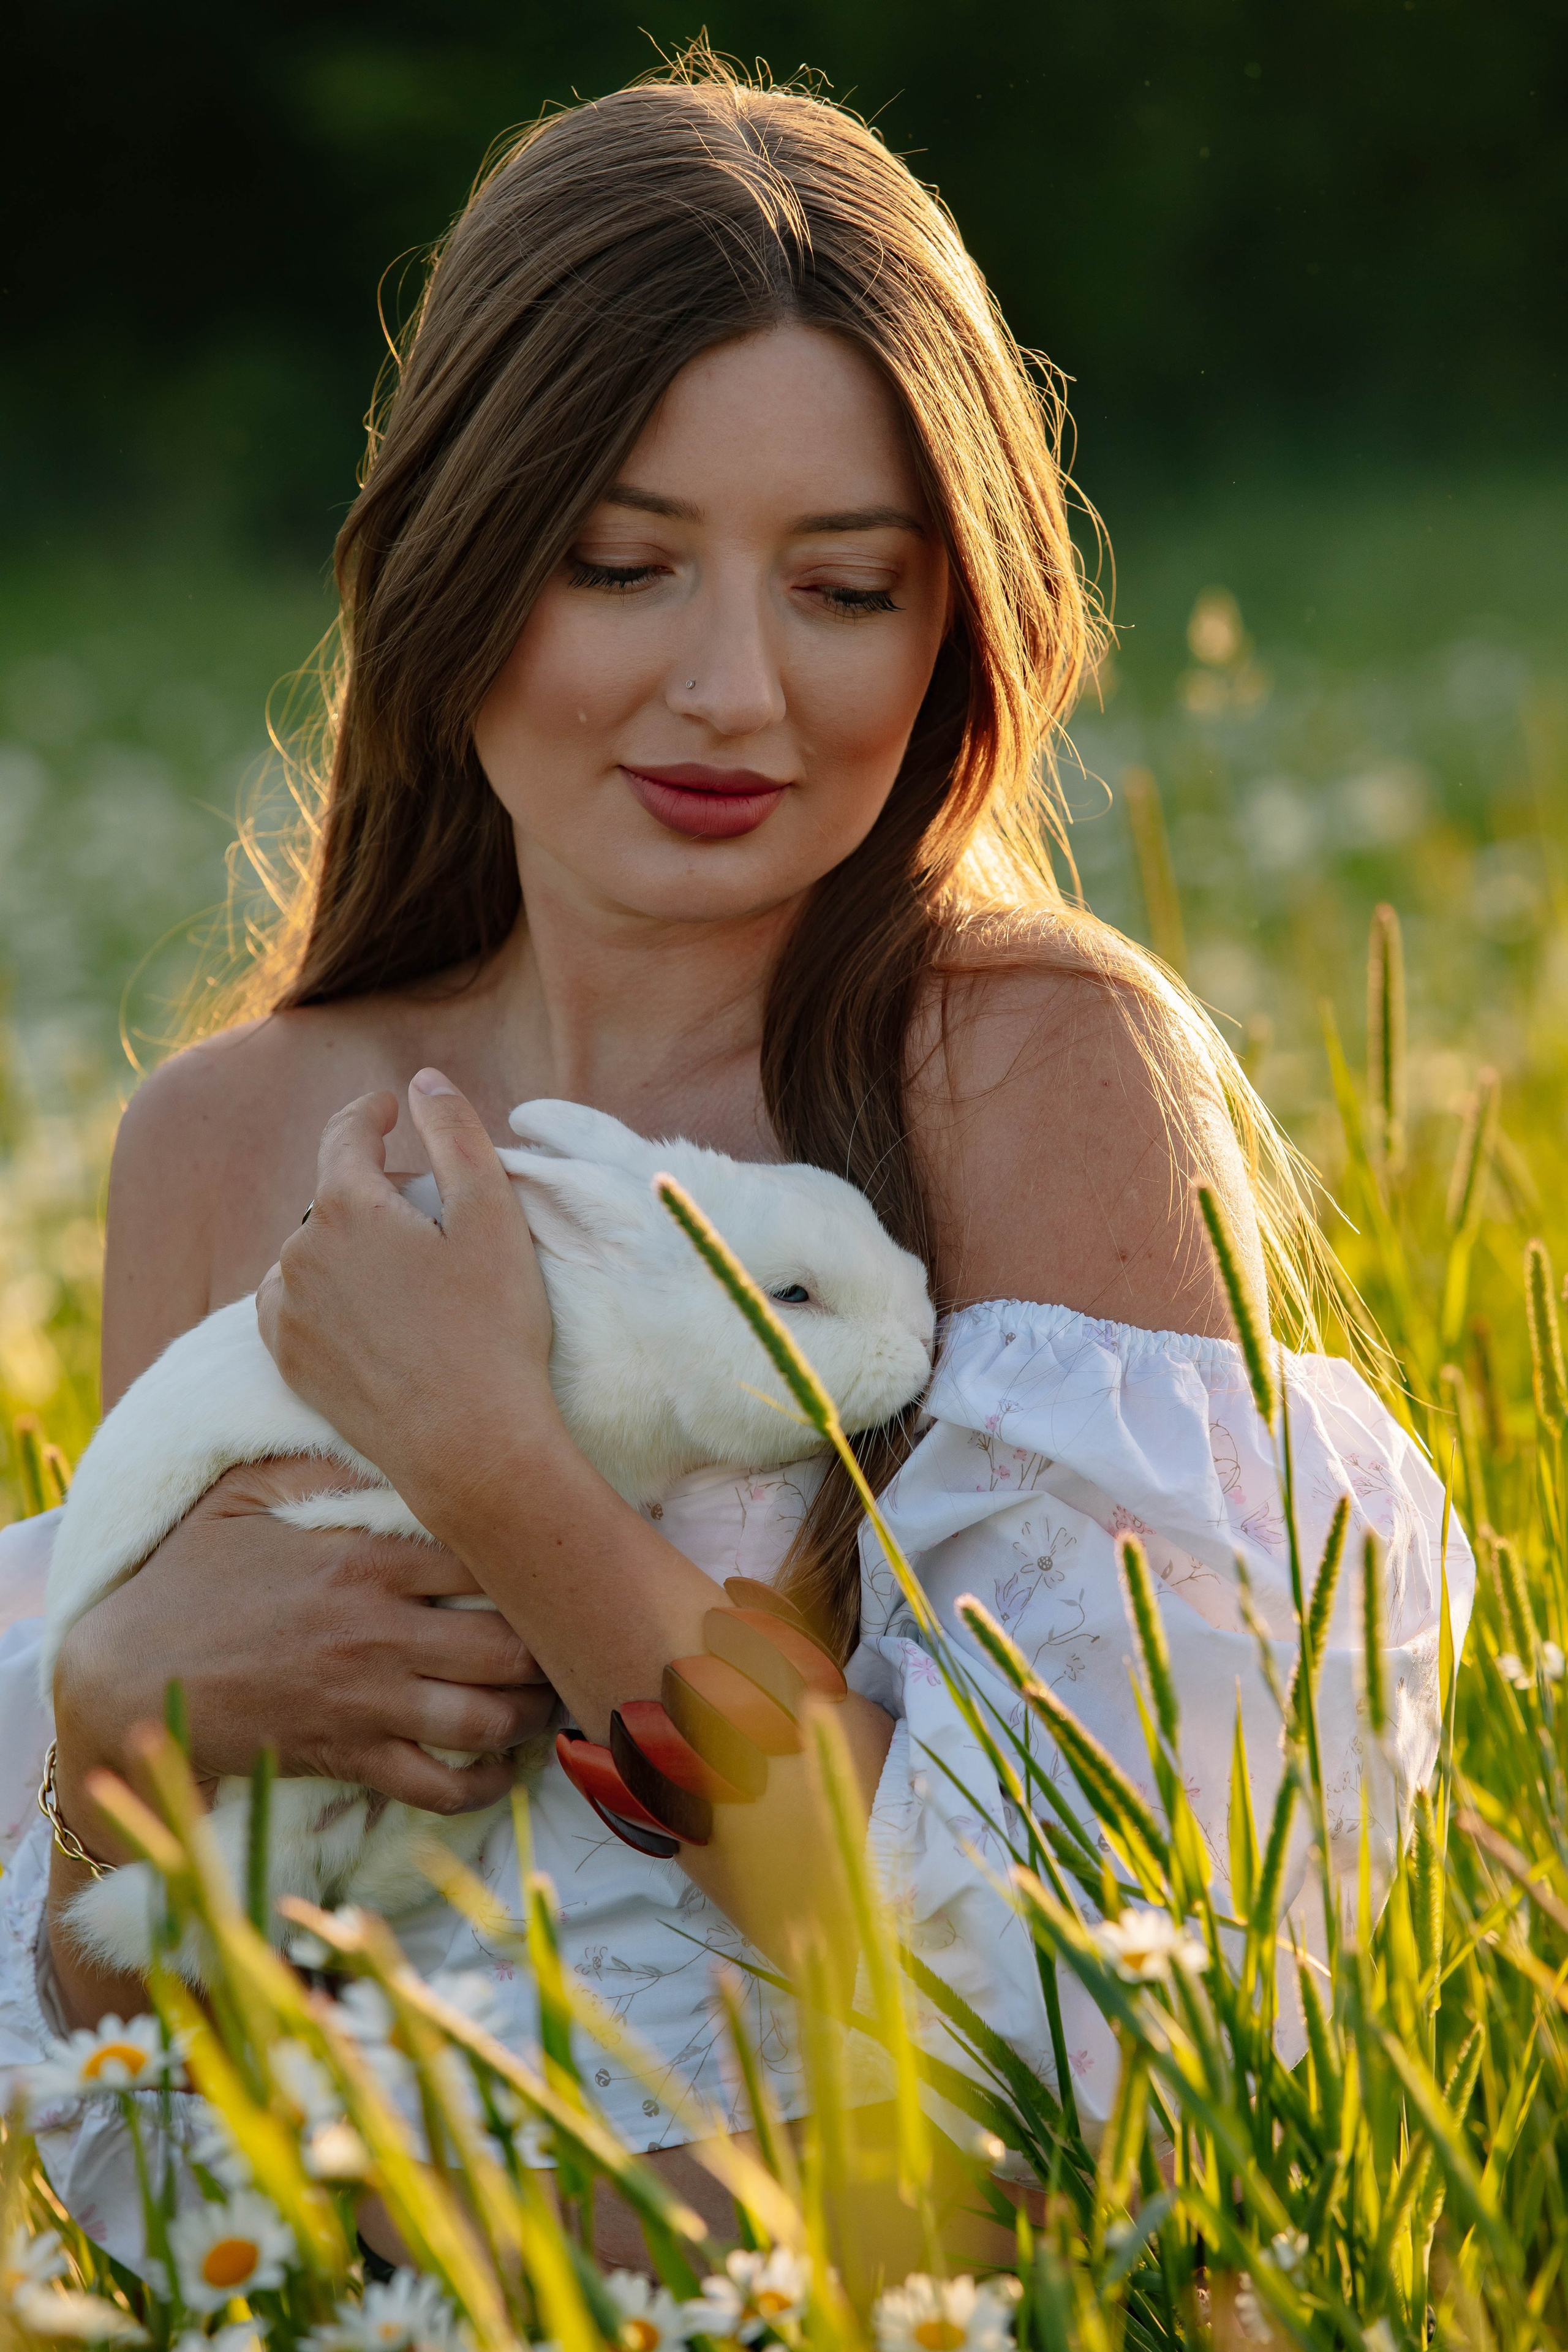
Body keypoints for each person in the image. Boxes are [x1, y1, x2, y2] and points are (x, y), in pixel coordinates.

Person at [0, 58, 1468, 2285]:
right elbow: (166, 2145)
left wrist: (506, 1473)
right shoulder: (231, 1144)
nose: (736, 693)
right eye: (623, 564)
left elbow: (1091, 2047)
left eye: (845, 589)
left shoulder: (1029, 1075)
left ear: (952, 622)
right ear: (459, 564)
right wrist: (109, 1744)